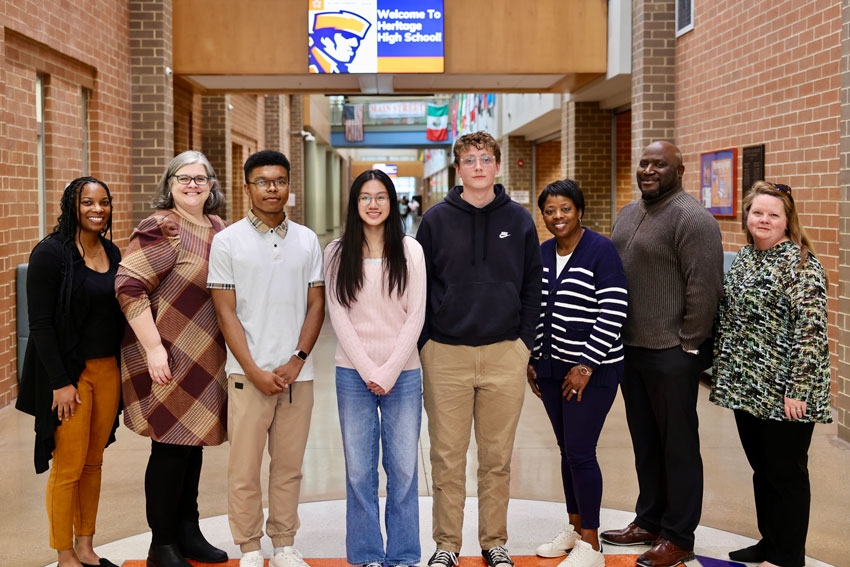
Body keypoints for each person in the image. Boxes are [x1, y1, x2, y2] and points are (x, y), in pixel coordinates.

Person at [415, 131, 542, 567]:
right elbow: (419, 285)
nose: (478, 167)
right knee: (447, 458)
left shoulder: (521, 220)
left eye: (486, 159)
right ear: (458, 168)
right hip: (445, 354)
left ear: (497, 165)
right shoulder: (434, 221)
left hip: (505, 352)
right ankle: (447, 546)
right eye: (469, 160)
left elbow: (533, 286)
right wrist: (426, 341)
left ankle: (494, 542)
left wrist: (524, 343)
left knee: (497, 459)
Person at [604, 141, 723, 567]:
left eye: (660, 164)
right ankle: (649, 519)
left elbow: (703, 288)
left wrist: (688, 345)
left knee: (678, 446)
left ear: (680, 170)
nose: (648, 170)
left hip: (672, 352)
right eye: (644, 163)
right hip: (630, 350)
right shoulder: (630, 212)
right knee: (645, 441)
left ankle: (678, 535)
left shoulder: (693, 218)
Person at [207, 150, 325, 567]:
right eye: (262, 181)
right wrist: (254, 370)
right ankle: (250, 548)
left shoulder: (308, 239)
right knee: (244, 470)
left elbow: (316, 305)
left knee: (289, 467)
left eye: (279, 181)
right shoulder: (227, 241)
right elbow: (226, 311)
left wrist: (297, 359)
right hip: (246, 375)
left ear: (289, 186)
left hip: (298, 376)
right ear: (247, 188)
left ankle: (285, 543)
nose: (271, 188)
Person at [116, 151, 228, 567]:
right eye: (184, 178)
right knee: (169, 447)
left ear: (212, 185)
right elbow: (128, 285)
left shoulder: (218, 227)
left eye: (201, 178)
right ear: (169, 184)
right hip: (168, 353)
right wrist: (152, 347)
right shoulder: (162, 226)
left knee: (191, 443)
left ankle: (188, 531)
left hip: (207, 353)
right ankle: (161, 544)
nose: (193, 185)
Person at [710, 182, 831, 567]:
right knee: (762, 470)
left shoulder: (801, 264)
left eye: (773, 214)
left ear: (787, 221)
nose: (764, 220)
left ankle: (788, 556)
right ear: (747, 217)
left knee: (787, 475)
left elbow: (811, 333)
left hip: (786, 391)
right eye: (757, 212)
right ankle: (770, 542)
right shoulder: (745, 257)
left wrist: (797, 389)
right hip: (749, 387)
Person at [16, 177, 123, 567]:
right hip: (69, 377)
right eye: (87, 203)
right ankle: (64, 554)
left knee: (93, 462)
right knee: (68, 465)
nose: (97, 209)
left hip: (107, 372)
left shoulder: (112, 251)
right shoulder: (51, 253)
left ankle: (86, 547)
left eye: (104, 202)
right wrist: (60, 383)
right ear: (72, 207)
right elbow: (40, 325)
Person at [325, 170, 427, 567]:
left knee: (403, 470)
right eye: (365, 197)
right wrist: (369, 368)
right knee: (358, 471)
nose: (373, 204)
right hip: (352, 374)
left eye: (381, 197)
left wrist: (387, 371)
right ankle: (367, 553)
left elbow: (415, 315)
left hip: (403, 373)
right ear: (354, 203)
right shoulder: (337, 252)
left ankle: (403, 555)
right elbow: (339, 316)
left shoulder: (410, 250)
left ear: (392, 203)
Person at [528, 180, 627, 567]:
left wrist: (586, 365)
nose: (557, 217)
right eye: (550, 211)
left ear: (579, 210)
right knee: (567, 451)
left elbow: (614, 310)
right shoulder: (542, 252)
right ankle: (574, 527)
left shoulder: (601, 250)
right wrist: (534, 360)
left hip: (593, 371)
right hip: (552, 370)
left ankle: (592, 542)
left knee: (582, 452)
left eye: (565, 209)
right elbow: (535, 308)